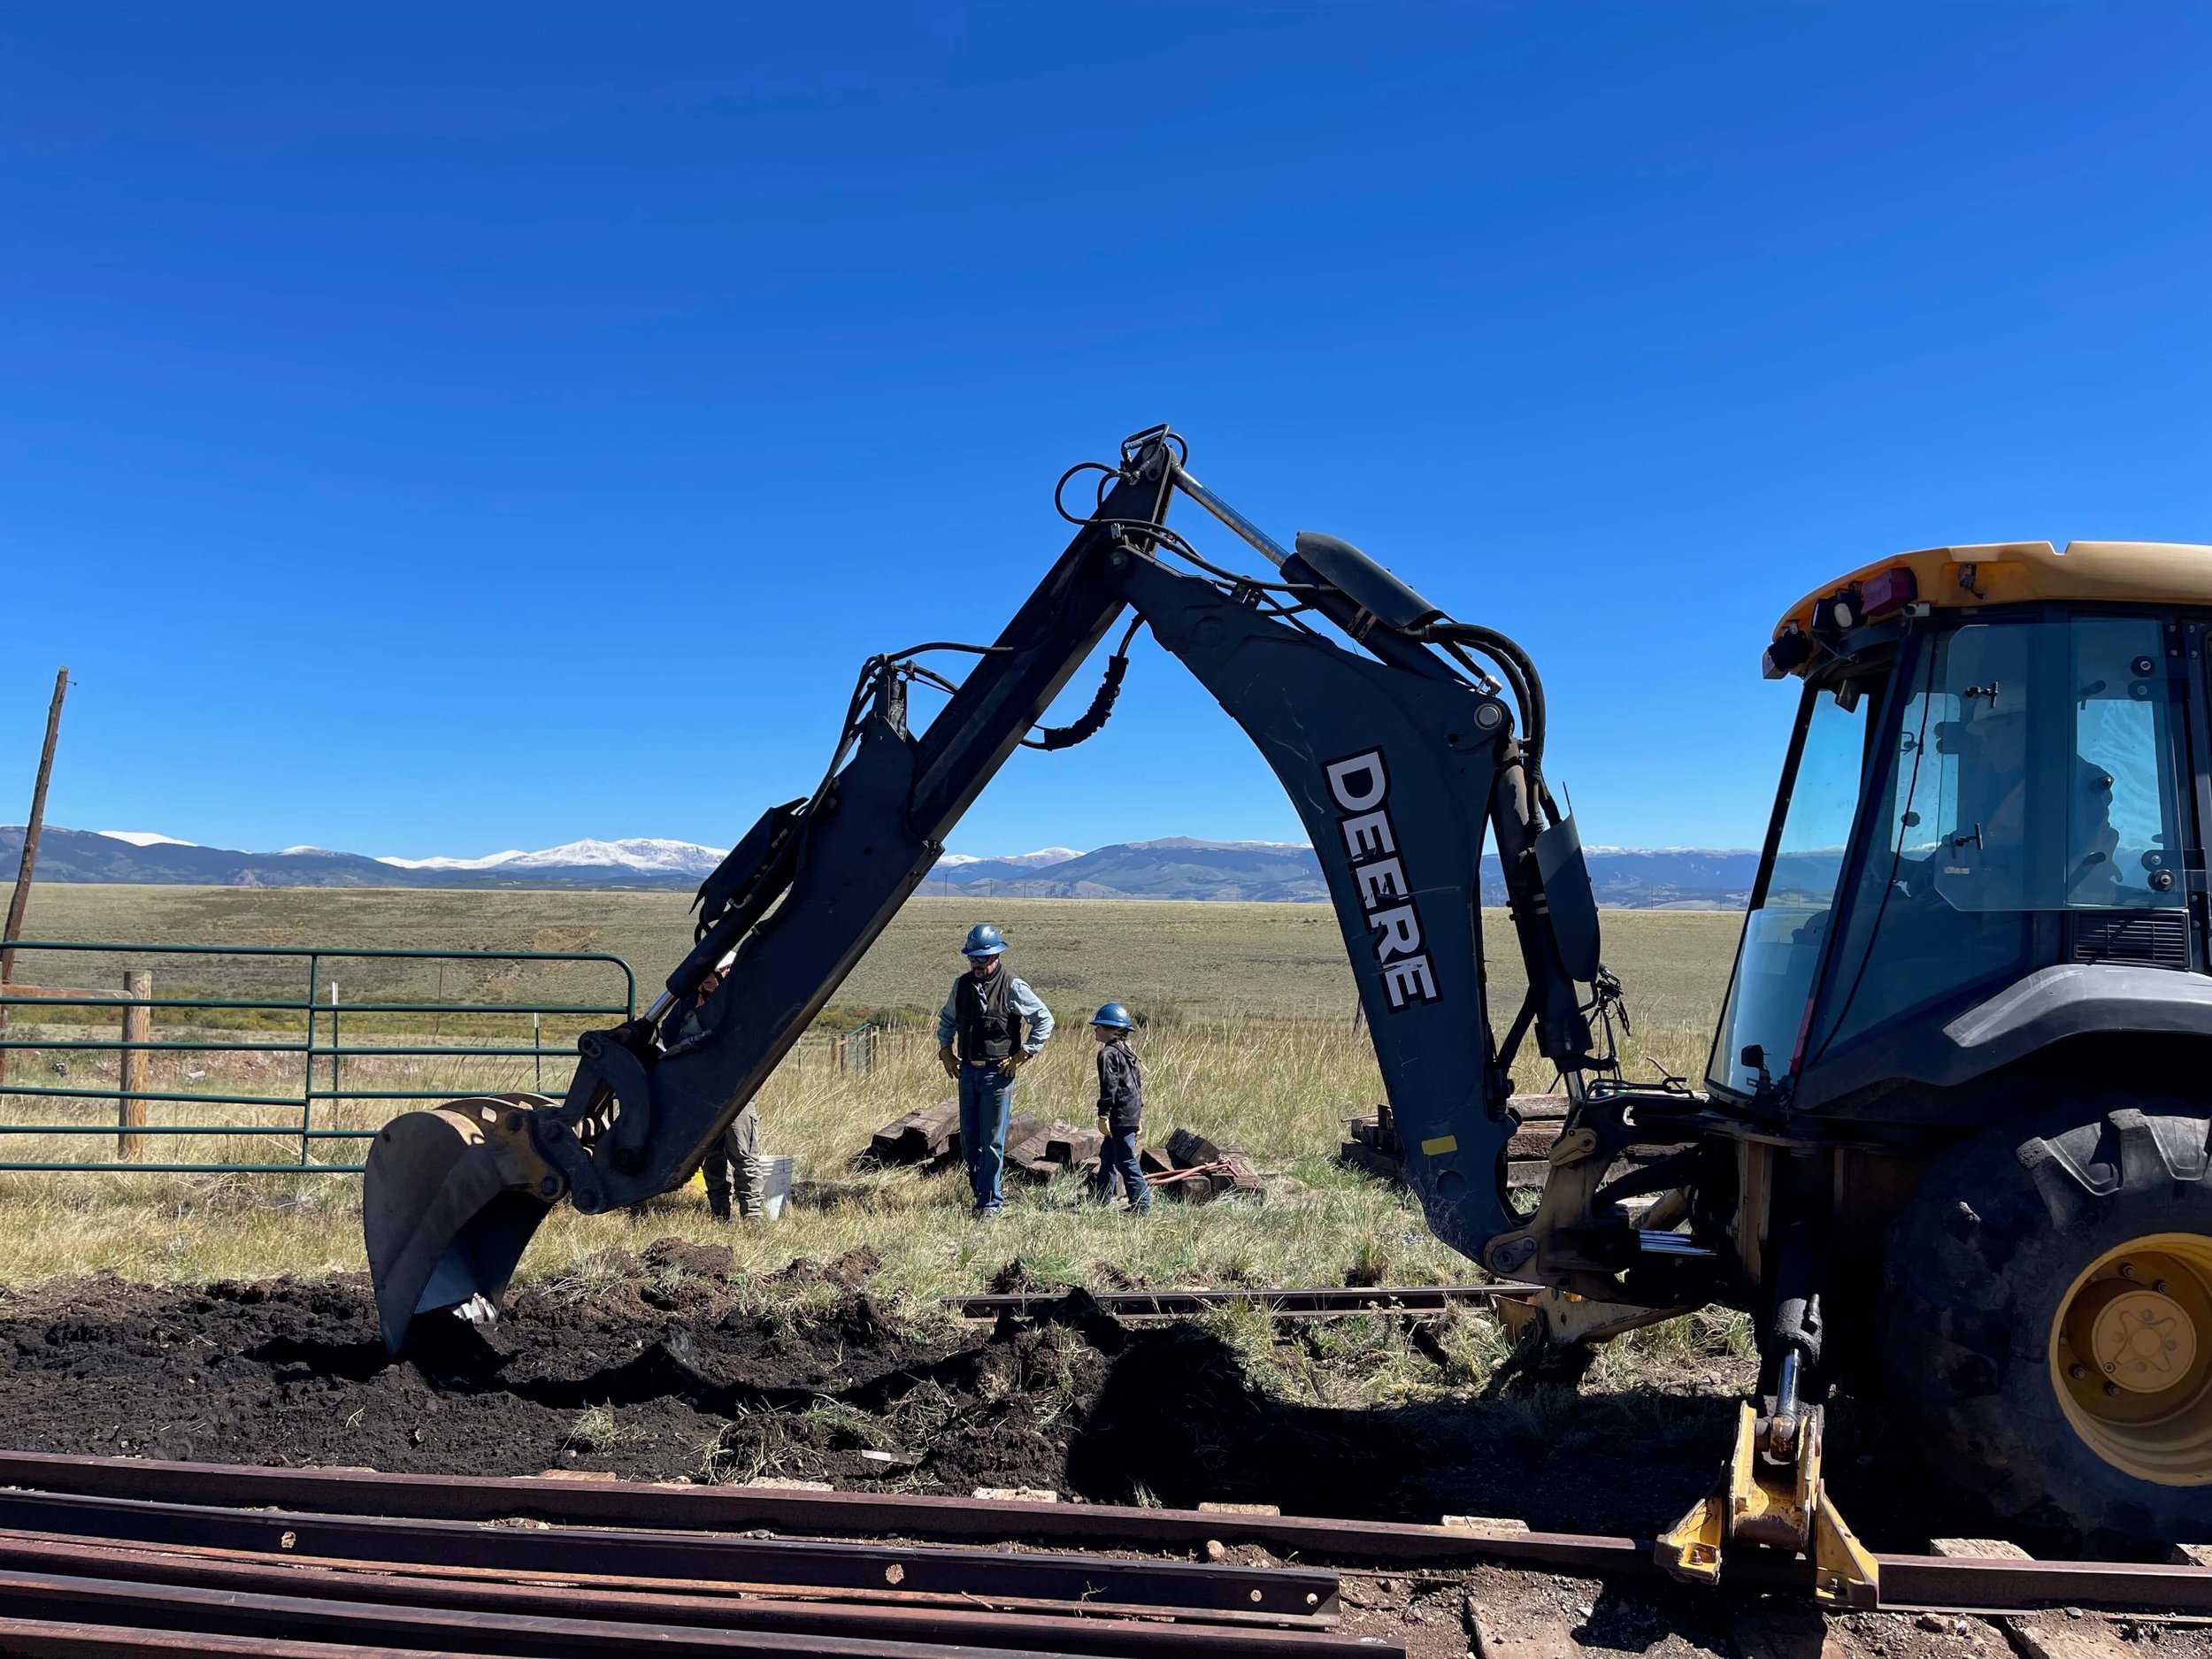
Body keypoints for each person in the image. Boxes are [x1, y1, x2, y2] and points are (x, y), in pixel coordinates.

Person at [935, 923, 1053, 1217]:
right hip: (967, 1072)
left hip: (997, 1075)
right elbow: (948, 1019)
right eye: (972, 958)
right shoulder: (961, 985)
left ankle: (990, 1202)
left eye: (983, 958)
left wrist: (1024, 1054)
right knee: (969, 1140)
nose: (977, 963)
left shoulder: (1013, 986)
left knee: (992, 1141)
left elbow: (1044, 1019)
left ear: (997, 956)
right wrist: (945, 1049)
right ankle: (979, 1194)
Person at [664, 965, 766, 1222]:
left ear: (729, 972)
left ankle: (752, 1217)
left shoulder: (742, 1003)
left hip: (736, 1092)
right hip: (701, 1093)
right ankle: (720, 1214)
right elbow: (668, 1035)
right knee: (712, 1156)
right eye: (705, 973)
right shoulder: (687, 1003)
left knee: (743, 1154)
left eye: (715, 972)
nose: (708, 978)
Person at [1088, 1002, 1149, 1215]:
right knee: (1108, 1157)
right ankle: (1100, 1199)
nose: (1095, 1030)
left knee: (1126, 1161)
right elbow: (1136, 1088)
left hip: (1120, 1116)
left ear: (1109, 1030)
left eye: (1099, 1026)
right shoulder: (1128, 1054)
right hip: (1130, 1114)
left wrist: (1103, 1114)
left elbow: (1109, 1087)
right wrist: (1138, 1116)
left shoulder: (1108, 1055)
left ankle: (1141, 1207)